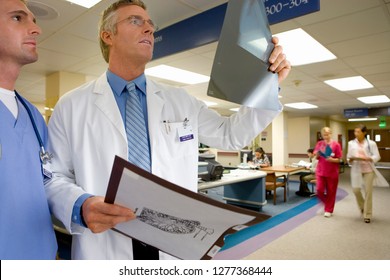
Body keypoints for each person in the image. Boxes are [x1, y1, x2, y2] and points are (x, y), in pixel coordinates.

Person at [45, 0, 291, 260]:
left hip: (172, 243)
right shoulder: (72, 105)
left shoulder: (180, 100)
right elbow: (53, 177)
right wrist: (80, 205)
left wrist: (268, 85)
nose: (149, 29)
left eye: (151, 25)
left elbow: (232, 135)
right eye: (136, 21)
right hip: (105, 242)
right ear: (108, 36)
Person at [0, 0, 57, 259]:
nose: (36, 29)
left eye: (34, 20)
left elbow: (46, 183)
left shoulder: (34, 117)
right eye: (18, 18)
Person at [347, 124, 381, 223]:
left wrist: (370, 158)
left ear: (364, 133)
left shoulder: (371, 143)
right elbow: (348, 157)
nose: (356, 134)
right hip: (356, 169)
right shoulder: (351, 143)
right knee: (356, 190)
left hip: (368, 170)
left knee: (368, 192)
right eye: (355, 131)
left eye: (358, 132)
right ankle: (362, 206)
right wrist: (350, 159)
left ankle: (368, 214)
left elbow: (377, 156)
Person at [314, 127, 342, 218]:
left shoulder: (336, 145)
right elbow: (316, 156)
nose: (326, 136)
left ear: (331, 133)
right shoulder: (319, 144)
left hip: (332, 172)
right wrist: (317, 154)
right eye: (324, 134)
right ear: (322, 135)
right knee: (319, 190)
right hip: (321, 171)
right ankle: (327, 204)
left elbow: (339, 159)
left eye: (328, 134)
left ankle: (328, 210)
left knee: (331, 191)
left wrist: (331, 159)